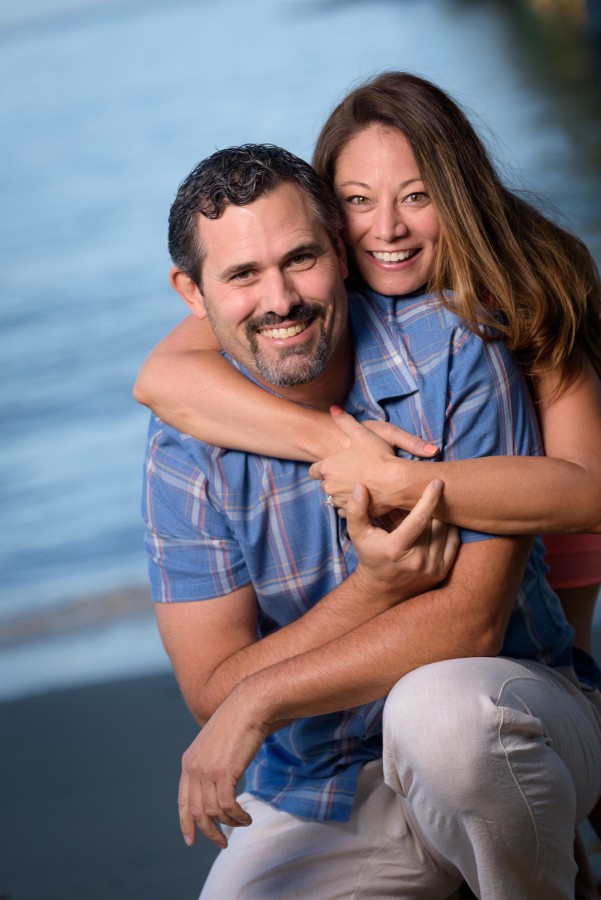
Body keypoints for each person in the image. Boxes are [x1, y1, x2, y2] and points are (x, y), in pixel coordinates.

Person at [142, 142, 601, 899]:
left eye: (299, 259)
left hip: (505, 721)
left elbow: (471, 626)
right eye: (242, 275)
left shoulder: (456, 350)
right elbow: (210, 689)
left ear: (341, 252)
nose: (280, 298)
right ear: (191, 293)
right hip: (323, 783)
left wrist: (260, 697)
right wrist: (376, 588)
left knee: (443, 718)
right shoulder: (181, 447)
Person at [134, 73, 601, 661]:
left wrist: (395, 480)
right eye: (358, 200)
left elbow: (589, 494)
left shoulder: (524, 282)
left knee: (565, 652)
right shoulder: (297, 286)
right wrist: (339, 443)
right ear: (330, 216)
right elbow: (160, 379)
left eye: (417, 196)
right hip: (476, 493)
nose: (386, 228)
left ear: (458, 194)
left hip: (556, 512)